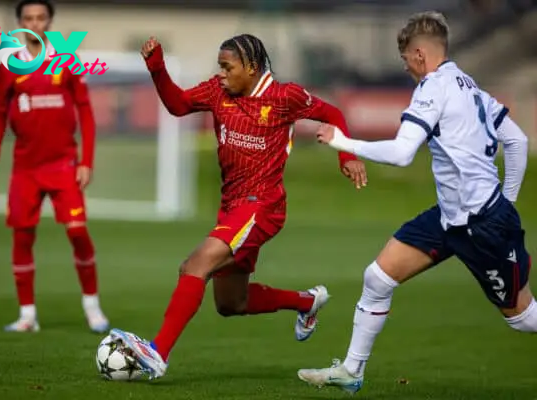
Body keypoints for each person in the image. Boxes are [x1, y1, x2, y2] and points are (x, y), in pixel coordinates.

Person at [297, 11, 532, 394]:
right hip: (452, 217)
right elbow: (517, 141)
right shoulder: (470, 86)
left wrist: (343, 142)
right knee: (378, 277)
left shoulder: (433, 88)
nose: (405, 67)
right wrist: (508, 200)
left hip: (483, 226)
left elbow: (402, 153)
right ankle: (351, 370)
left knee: (521, 318)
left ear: (420, 54)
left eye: (406, 58)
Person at [110, 34, 367, 379]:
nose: (220, 74)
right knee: (231, 304)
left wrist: (346, 155)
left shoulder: (283, 96)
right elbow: (178, 105)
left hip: (262, 206)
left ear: (251, 67)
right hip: (233, 207)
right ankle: (306, 302)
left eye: (227, 67)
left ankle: (158, 352)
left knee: (195, 265)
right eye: (219, 67)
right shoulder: (219, 93)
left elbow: (332, 113)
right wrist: (157, 67)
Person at [0, 0, 109, 333]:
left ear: (49, 21)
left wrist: (87, 161)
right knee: (22, 238)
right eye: (28, 18)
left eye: (41, 17)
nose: (35, 23)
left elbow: (86, 110)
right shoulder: (9, 62)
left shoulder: (65, 57)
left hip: (63, 165)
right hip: (25, 169)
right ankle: (27, 316)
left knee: (78, 232)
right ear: (19, 23)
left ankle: (92, 307)